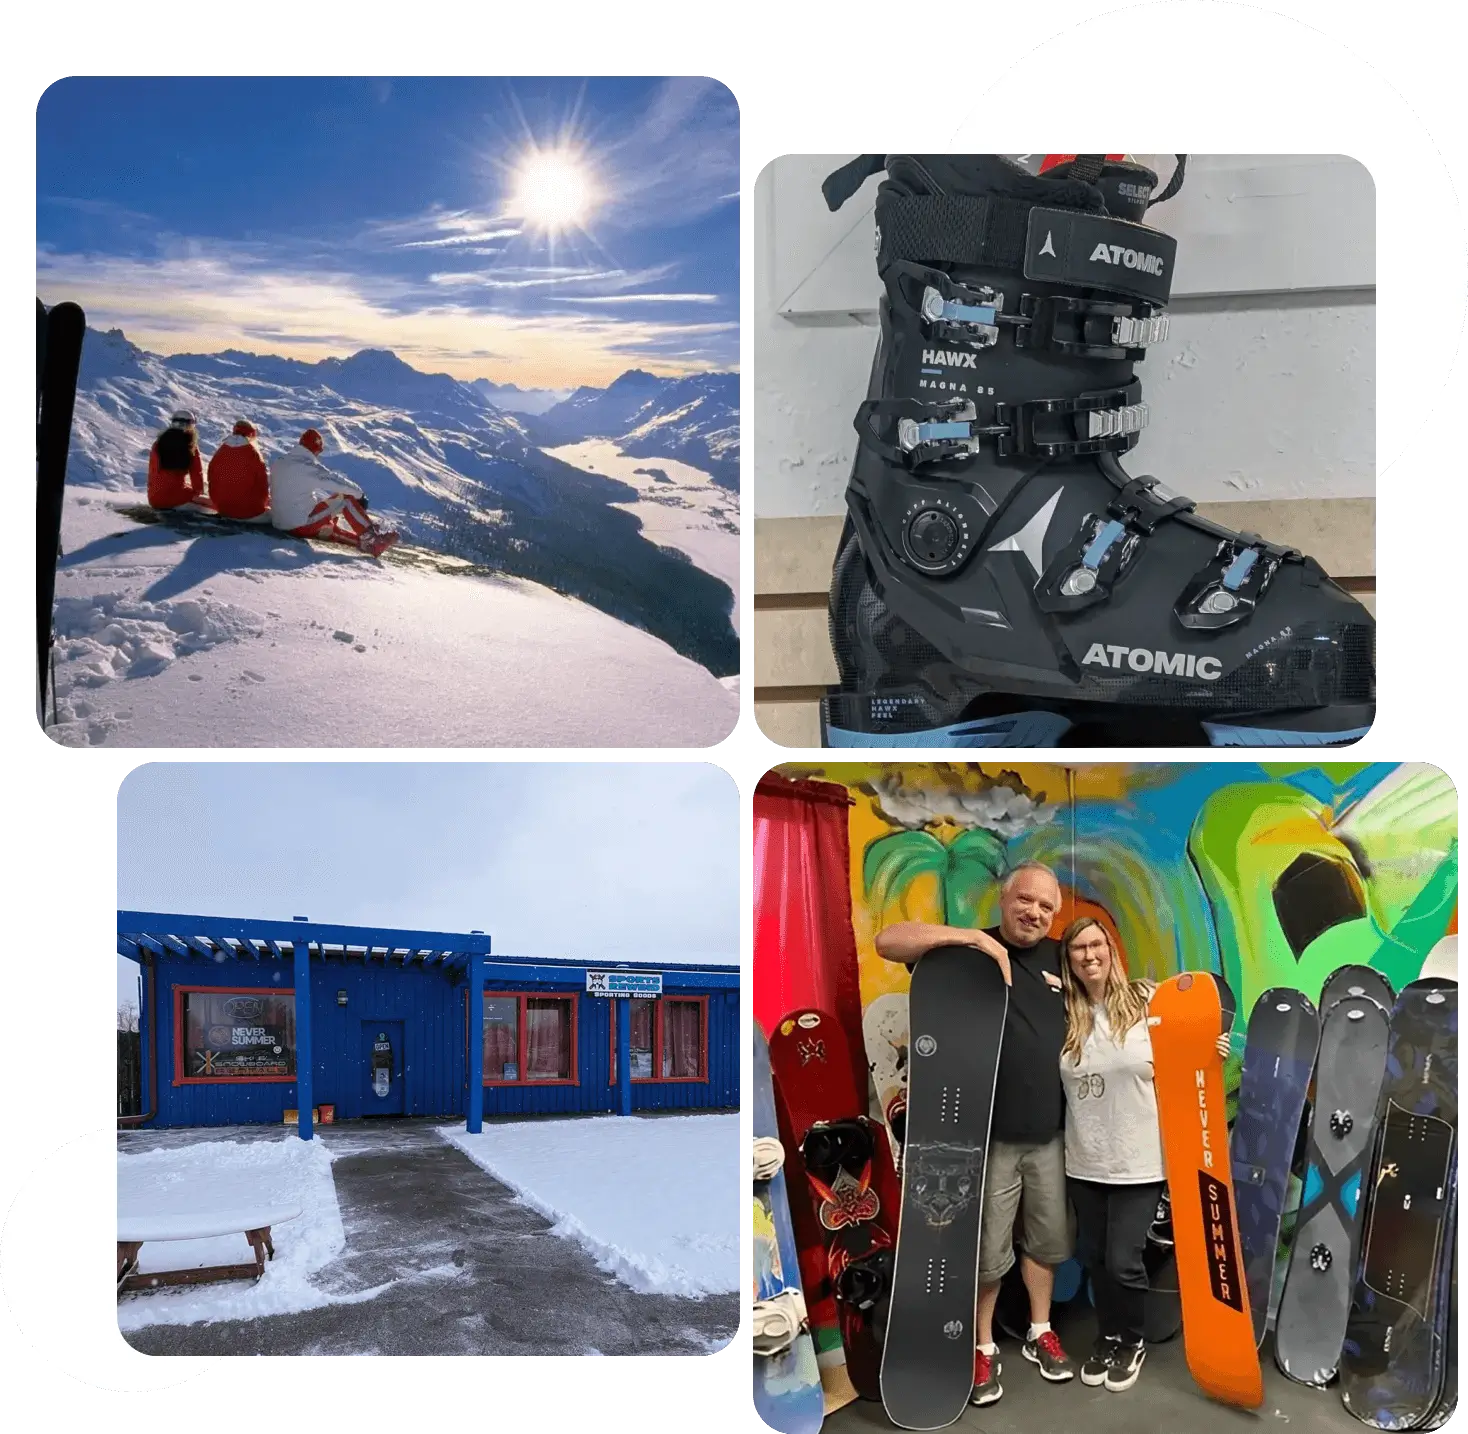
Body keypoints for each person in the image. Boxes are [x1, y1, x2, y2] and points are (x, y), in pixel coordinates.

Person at [875, 860, 1075, 1407]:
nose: (1034, 912)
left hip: (1052, 1134)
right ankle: (981, 1344)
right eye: (1025, 900)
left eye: (1046, 907)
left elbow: (1109, 996)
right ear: (1005, 899)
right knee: (986, 1251)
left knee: (1047, 1242)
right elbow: (888, 941)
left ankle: (1039, 1330)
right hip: (987, 1138)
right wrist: (973, 941)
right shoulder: (963, 953)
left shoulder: (1062, 956)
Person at [1058, 916, 1231, 1393]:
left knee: (1123, 1260)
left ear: (1111, 951)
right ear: (1068, 960)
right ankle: (1107, 1335)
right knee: (1094, 1257)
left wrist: (1210, 1049)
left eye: (1096, 945)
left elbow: (1187, 1049)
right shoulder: (1066, 1016)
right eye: (1078, 948)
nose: (1089, 955)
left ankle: (1131, 1338)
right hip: (1084, 1160)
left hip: (1138, 1160)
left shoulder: (1145, 1002)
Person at [268, 428, 398, 556]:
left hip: (279, 522)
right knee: (345, 499)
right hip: (299, 525)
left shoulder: (280, 462)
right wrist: (359, 494)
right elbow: (335, 481)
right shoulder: (308, 467)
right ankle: (373, 540)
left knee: (328, 526)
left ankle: (364, 543)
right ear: (316, 449)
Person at [207, 419, 270, 520]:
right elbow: (262, 483)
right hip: (247, 511)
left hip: (222, 506)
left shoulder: (222, 449)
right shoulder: (253, 453)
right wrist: (263, 503)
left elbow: (211, 473)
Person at [147, 409, 210, 510]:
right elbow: (196, 473)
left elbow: (152, 471)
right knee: (210, 502)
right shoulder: (190, 446)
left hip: (154, 498)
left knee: (186, 487)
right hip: (176, 497)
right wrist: (198, 494)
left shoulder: (158, 444)